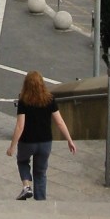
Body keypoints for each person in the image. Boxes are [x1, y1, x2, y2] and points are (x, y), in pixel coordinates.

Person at [7, 71, 76, 201]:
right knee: (40, 173)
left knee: (22, 161)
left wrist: (12, 146)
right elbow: (60, 122)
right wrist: (69, 140)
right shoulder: (50, 99)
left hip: (27, 142)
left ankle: (26, 186)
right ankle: (41, 202)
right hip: (45, 142)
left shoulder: (23, 100)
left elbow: (20, 126)